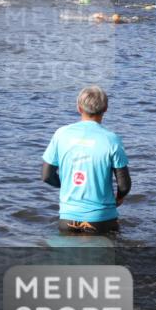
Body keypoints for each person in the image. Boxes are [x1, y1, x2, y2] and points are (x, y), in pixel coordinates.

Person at [41, 86, 131, 234]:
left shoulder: (61, 134)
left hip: (67, 219)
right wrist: (119, 198)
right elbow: (124, 184)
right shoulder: (112, 139)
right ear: (105, 109)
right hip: (101, 220)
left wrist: (66, 185)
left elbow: (46, 176)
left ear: (79, 108)